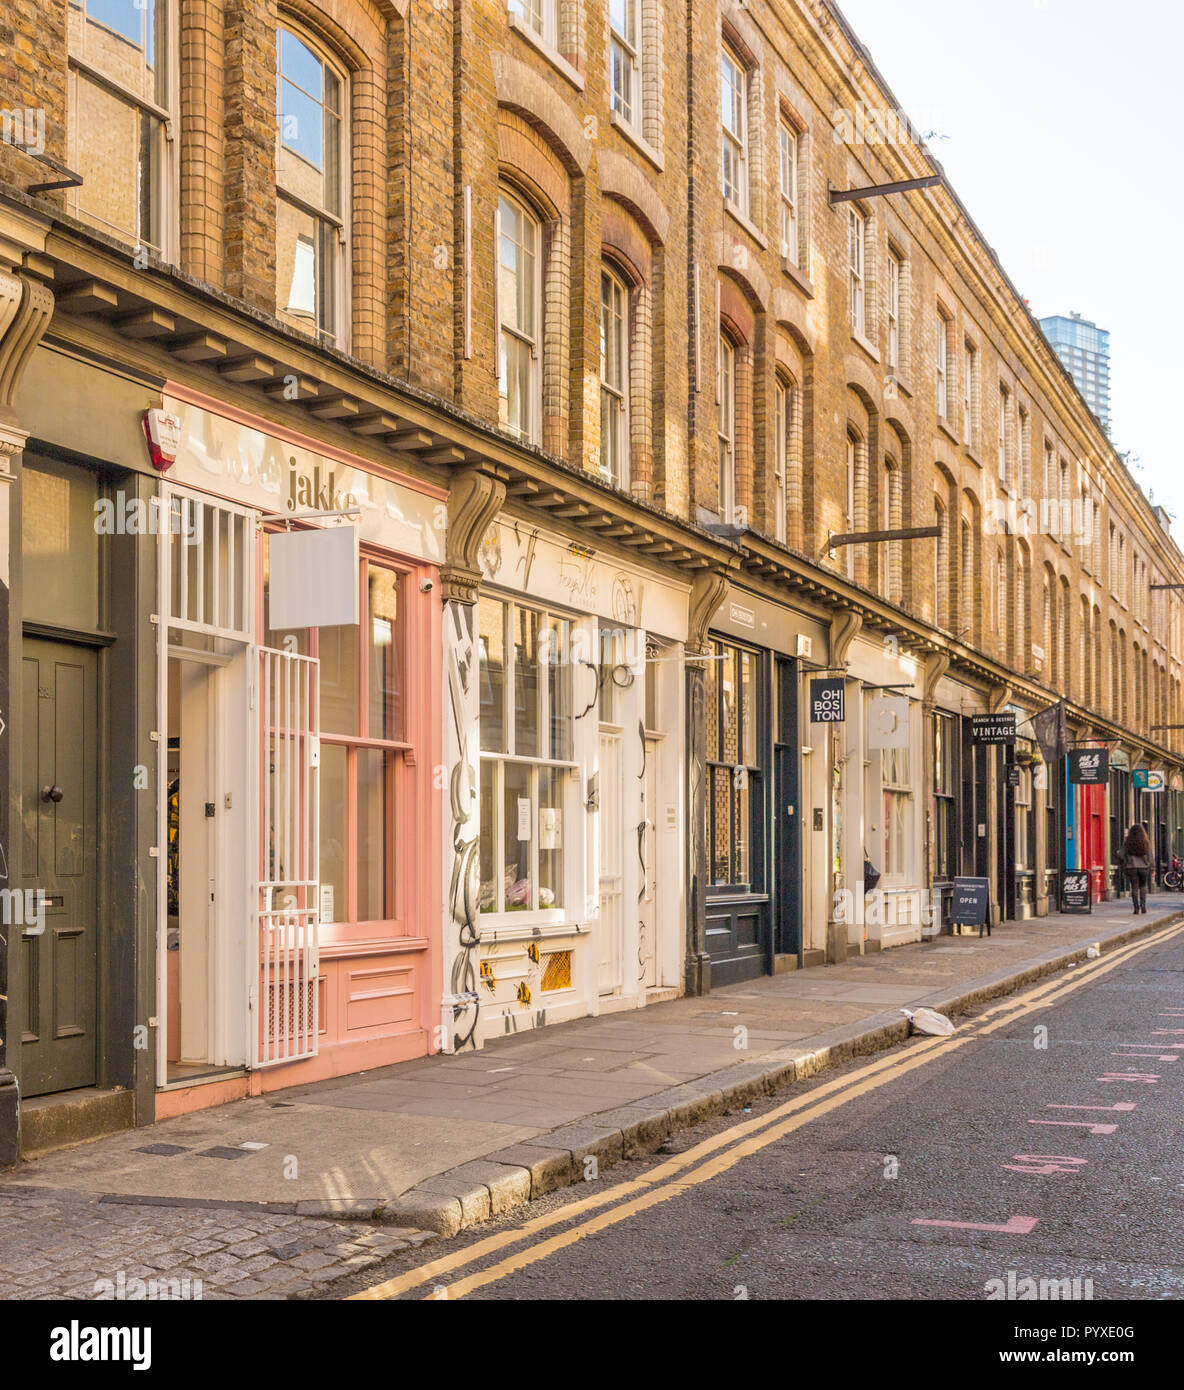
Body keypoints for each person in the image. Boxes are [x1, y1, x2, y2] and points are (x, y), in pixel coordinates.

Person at [1122, 824, 1153, 914]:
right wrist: (1153, 868)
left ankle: (1136, 908)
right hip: (1144, 868)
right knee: (1143, 886)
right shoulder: (1146, 842)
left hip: (1131, 868)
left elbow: (1121, 855)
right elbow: (1150, 857)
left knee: (1134, 888)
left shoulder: (1127, 842)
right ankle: (1143, 906)